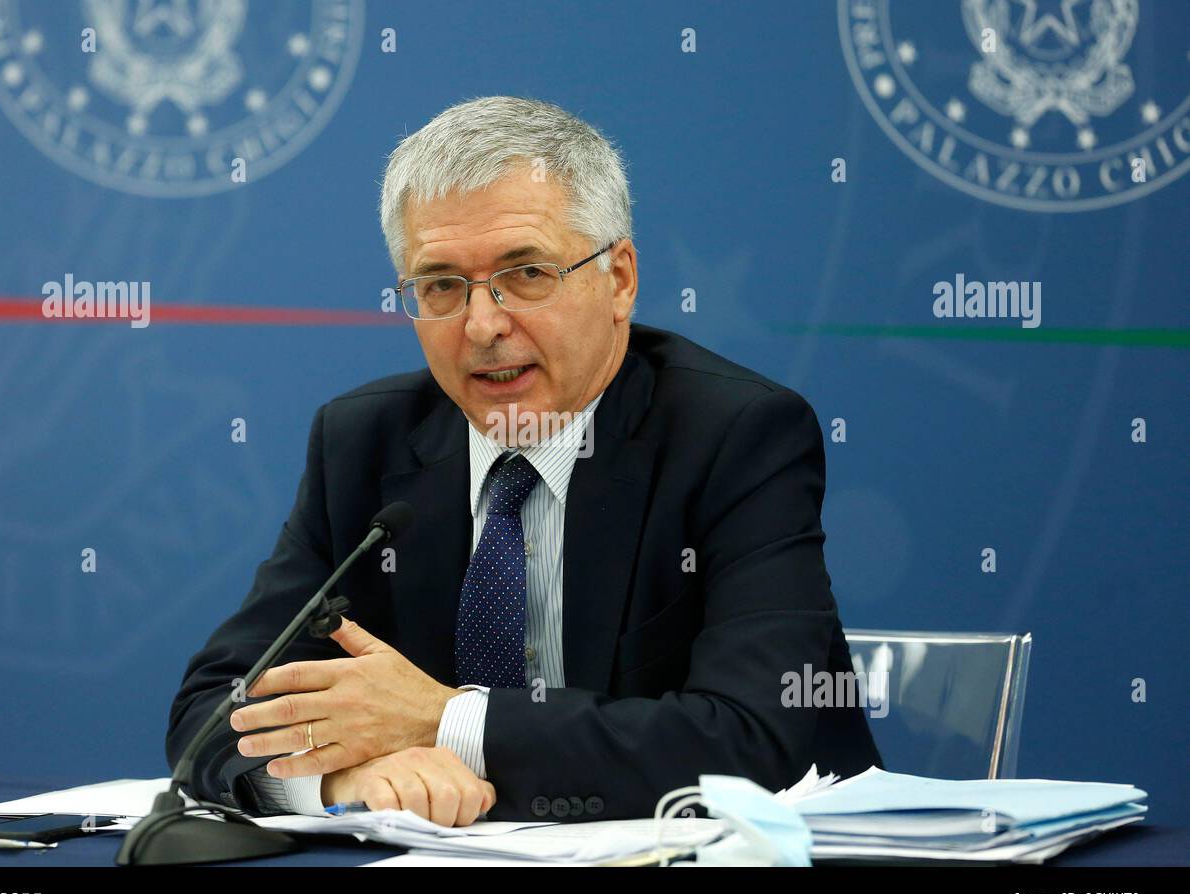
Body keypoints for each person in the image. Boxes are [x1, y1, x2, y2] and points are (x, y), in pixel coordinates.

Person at [166, 95, 881, 827]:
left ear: (620, 279)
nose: (482, 325)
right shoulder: (363, 442)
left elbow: (752, 743)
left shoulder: (736, 436)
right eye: (442, 285)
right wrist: (351, 777)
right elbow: (211, 715)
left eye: (528, 273)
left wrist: (446, 722)